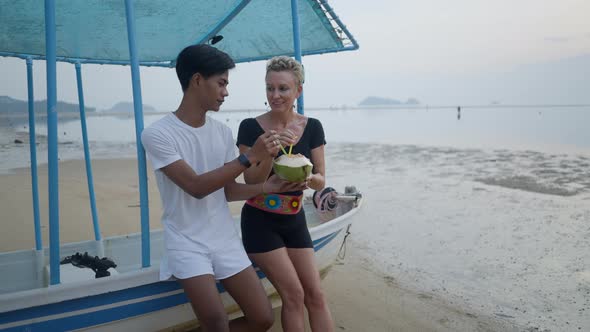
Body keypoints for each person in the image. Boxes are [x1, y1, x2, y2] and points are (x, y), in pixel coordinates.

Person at [141, 45, 305, 332]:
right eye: (222, 83)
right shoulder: (157, 134)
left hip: (223, 238)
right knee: (216, 322)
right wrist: (250, 156)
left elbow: (227, 190)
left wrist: (269, 187)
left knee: (263, 317)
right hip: (186, 241)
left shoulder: (221, 132)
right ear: (197, 80)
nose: (226, 92)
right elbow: (196, 186)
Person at [236, 56, 333, 332]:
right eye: (270, 88)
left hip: (294, 218)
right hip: (260, 221)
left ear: (298, 91)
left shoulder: (312, 126)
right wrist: (270, 151)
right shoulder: (250, 127)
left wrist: (307, 177)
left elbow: (320, 179)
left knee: (316, 295)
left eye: (283, 88)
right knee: (294, 295)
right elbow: (250, 179)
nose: (275, 95)